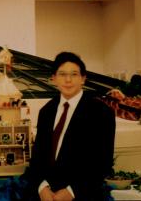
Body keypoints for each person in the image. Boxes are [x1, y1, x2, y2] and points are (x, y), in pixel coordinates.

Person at [26, 52, 116, 201]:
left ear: (83, 78)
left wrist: (72, 191)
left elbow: (103, 162)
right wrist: (42, 187)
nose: (68, 80)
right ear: (53, 79)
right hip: (46, 195)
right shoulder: (46, 111)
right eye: (62, 74)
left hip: (83, 194)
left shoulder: (101, 112)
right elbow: (37, 157)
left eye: (74, 74)